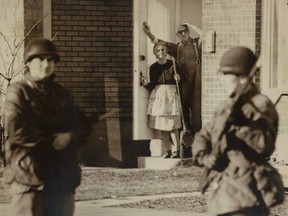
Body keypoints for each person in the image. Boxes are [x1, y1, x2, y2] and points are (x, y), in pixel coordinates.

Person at [3, 38, 95, 216]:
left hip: (62, 175)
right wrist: (51, 140)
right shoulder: (18, 92)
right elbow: (17, 129)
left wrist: (69, 136)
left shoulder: (63, 94)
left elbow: (81, 124)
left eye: (50, 60)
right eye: (40, 59)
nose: (46, 64)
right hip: (29, 175)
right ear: (29, 63)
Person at [192, 47, 284, 216]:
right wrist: (204, 156)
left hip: (246, 190)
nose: (222, 80)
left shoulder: (260, 105)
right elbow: (203, 135)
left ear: (243, 78)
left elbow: (265, 145)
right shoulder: (225, 107)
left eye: (226, 75)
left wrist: (241, 125)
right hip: (222, 191)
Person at [143, 21, 202, 136]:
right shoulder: (176, 48)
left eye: (186, 31)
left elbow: (205, 35)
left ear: (189, 32)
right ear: (177, 35)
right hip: (182, 83)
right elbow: (159, 43)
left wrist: (191, 25)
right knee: (182, 110)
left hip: (196, 82)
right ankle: (185, 139)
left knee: (196, 110)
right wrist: (148, 33)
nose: (184, 34)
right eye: (181, 32)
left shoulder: (196, 43)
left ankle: (198, 137)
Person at [141, 42, 182, 158]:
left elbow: (182, 82)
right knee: (163, 126)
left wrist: (178, 79)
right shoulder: (153, 68)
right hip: (159, 97)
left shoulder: (173, 65)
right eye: (158, 50)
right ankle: (166, 151)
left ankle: (176, 151)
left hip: (171, 97)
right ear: (155, 53)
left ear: (166, 52)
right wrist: (145, 84)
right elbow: (153, 85)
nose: (161, 52)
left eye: (163, 50)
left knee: (172, 125)